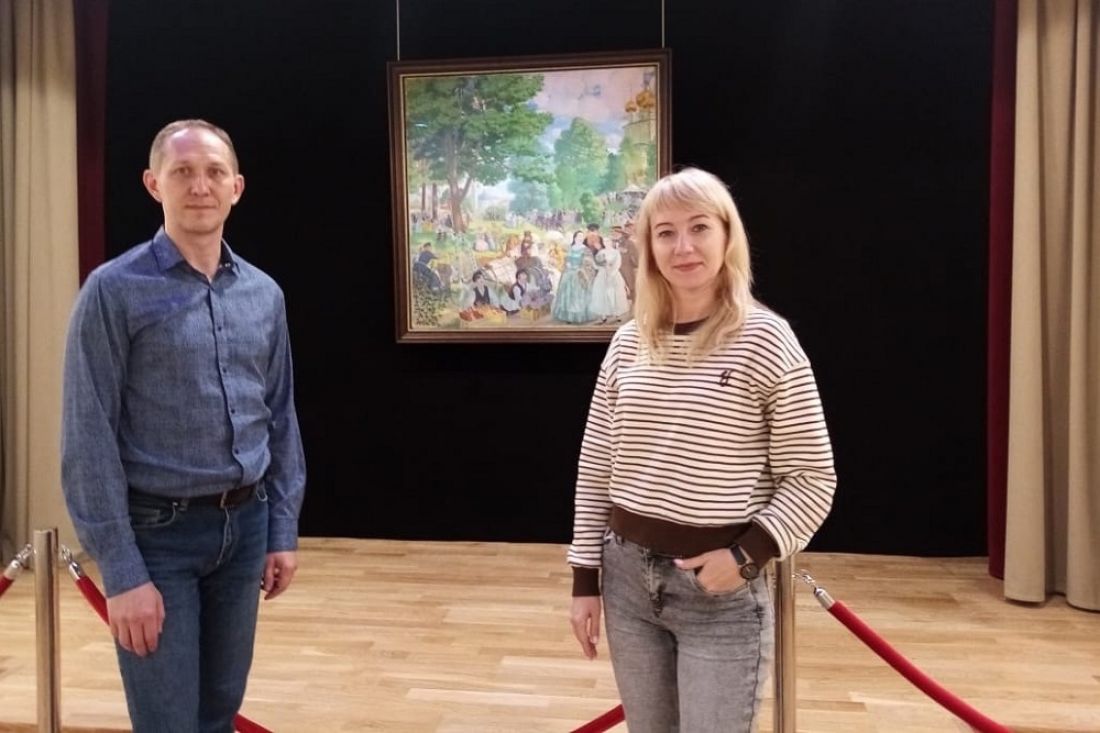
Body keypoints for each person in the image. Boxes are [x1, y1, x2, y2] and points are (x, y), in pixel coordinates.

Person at [567, 167, 835, 733]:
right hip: (627, 582)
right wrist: (584, 579)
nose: (683, 246)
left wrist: (746, 556)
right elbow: (595, 471)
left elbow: (812, 476)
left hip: (719, 595)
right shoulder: (627, 343)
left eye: (699, 227)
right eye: (665, 233)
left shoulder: (766, 340)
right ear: (648, 247)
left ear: (727, 236)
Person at [61, 119, 307, 733]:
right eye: (183, 172)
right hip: (157, 537)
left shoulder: (264, 294)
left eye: (214, 172)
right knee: (167, 721)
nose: (200, 186)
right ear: (154, 184)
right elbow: (88, 436)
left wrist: (281, 528)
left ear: (236, 187)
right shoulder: (112, 292)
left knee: (219, 714)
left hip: (245, 530)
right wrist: (122, 572)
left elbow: (279, 417)